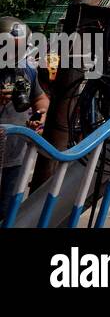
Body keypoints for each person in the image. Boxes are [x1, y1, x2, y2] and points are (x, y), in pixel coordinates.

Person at [1, 16, 49, 220]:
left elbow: (41, 98)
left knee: (7, 212)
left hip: (15, 155)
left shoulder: (26, 70)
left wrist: (40, 115)